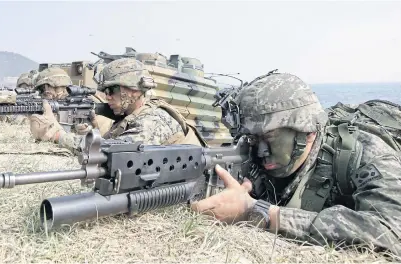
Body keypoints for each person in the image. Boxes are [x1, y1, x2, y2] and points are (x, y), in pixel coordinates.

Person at [191, 72, 401, 258]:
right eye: (253, 139)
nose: (261, 151)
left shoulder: (367, 153)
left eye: (270, 137)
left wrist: (261, 213)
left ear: (308, 133)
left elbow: (391, 232)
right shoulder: (254, 153)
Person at [29, 58, 206, 152]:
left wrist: (57, 134)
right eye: (105, 92)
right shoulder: (131, 115)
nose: (107, 97)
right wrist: (95, 131)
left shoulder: (152, 121)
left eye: (112, 90)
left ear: (135, 90)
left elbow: (107, 152)